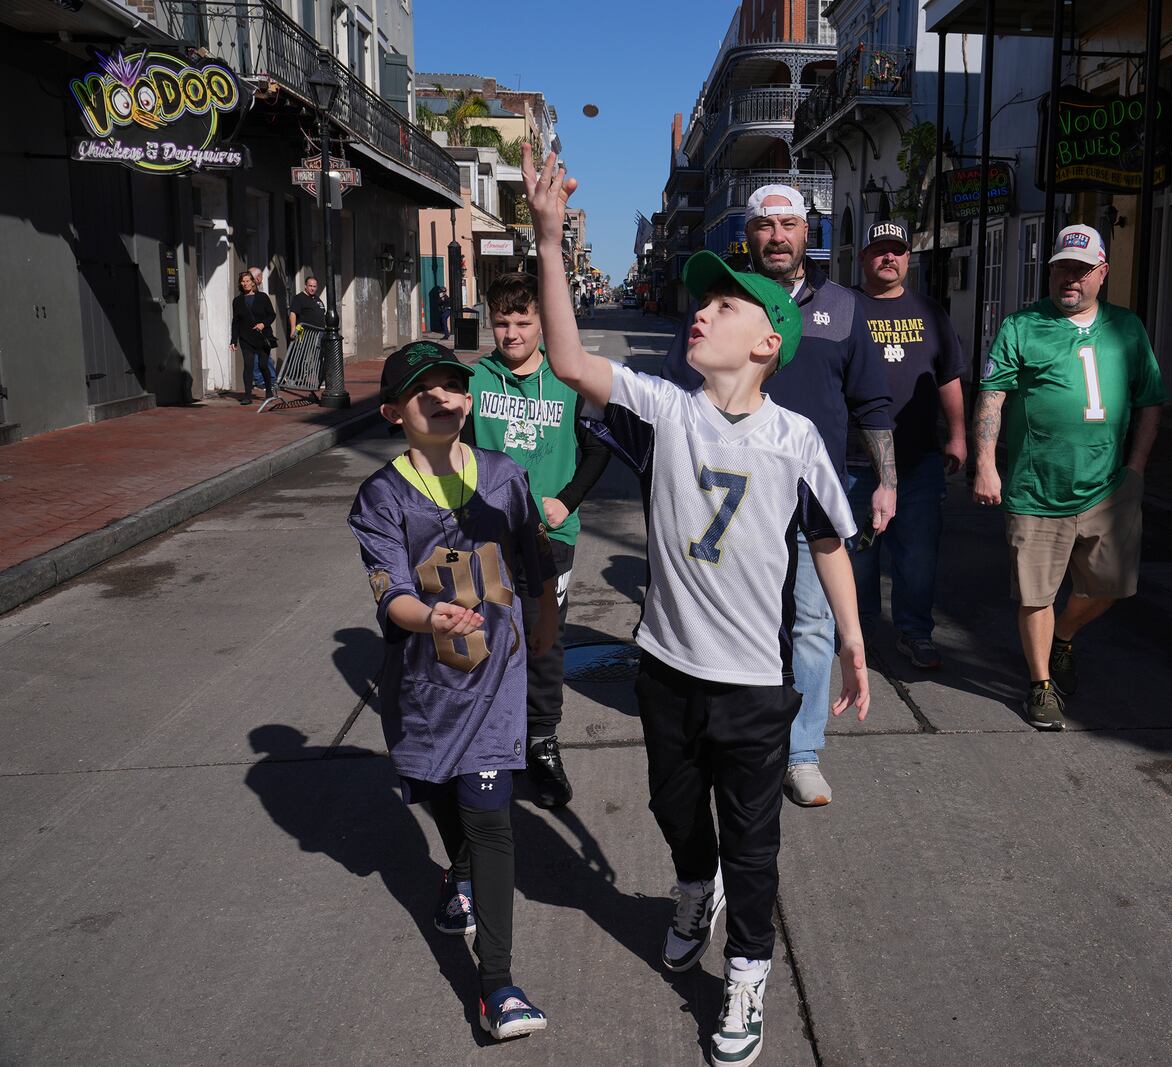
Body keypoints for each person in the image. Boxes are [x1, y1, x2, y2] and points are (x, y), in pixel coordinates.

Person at [525, 148, 868, 1067]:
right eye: (700, 299)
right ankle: (691, 888)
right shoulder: (666, 408)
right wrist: (550, 241)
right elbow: (566, 358)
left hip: (753, 689)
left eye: (725, 303)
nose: (702, 309)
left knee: (754, 843)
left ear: (768, 342)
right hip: (667, 670)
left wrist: (852, 645)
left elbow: (829, 540)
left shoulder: (797, 439)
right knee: (677, 812)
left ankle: (748, 973)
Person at [348, 340, 560, 1041]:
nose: (444, 400)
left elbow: (534, 563)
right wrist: (426, 614)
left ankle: (495, 984)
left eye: (453, 387)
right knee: (443, 800)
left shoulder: (505, 476)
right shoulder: (381, 497)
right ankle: (456, 870)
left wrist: (545, 627)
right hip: (425, 688)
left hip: (497, 683)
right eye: (424, 393)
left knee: (492, 817)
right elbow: (392, 592)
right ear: (392, 413)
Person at [662, 183, 893, 809]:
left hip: (814, 491)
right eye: (765, 225)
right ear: (750, 234)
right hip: (733, 496)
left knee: (815, 623)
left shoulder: (845, 308)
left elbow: (872, 403)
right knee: (750, 620)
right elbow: (681, 395)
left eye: (789, 224)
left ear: (807, 231)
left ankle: (802, 752)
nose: (777, 236)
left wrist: (887, 480)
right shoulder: (724, 303)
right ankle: (736, 736)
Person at [973, 225, 1164, 730]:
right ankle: (1040, 685)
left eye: (1080, 271)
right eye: (1061, 269)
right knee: (1036, 593)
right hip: (1036, 489)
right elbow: (992, 395)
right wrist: (986, 464)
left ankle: (1063, 640)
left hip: (1109, 488)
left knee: (1110, 587)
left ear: (1102, 273)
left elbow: (1150, 402)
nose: (1069, 280)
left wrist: (1136, 469)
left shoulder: (1127, 329)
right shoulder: (1021, 325)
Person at [466, 270, 612, 809]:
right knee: (488, 640)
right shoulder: (475, 382)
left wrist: (565, 501)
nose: (511, 334)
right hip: (486, 539)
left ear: (541, 323)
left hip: (552, 536)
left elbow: (599, 451)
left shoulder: (568, 381)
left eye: (523, 321)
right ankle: (493, 742)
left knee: (543, 641)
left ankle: (542, 740)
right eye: (501, 322)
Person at [848, 221, 968, 669]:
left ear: (907, 258)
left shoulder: (930, 312)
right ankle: (857, 636)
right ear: (863, 258)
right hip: (855, 460)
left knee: (917, 556)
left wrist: (957, 436)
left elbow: (949, 378)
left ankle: (914, 633)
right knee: (858, 556)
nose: (889, 258)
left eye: (897, 251)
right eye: (879, 251)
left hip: (918, 459)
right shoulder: (846, 308)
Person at [230, 269, 276, 406]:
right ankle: (247, 396)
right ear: (240, 284)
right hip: (246, 338)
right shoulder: (237, 301)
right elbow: (236, 322)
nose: (245, 284)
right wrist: (233, 340)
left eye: (248, 281)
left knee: (263, 365)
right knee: (248, 366)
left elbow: (271, 315)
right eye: (242, 281)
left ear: (253, 282)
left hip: (262, 337)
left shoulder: (262, 297)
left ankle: (269, 391)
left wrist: (263, 324)